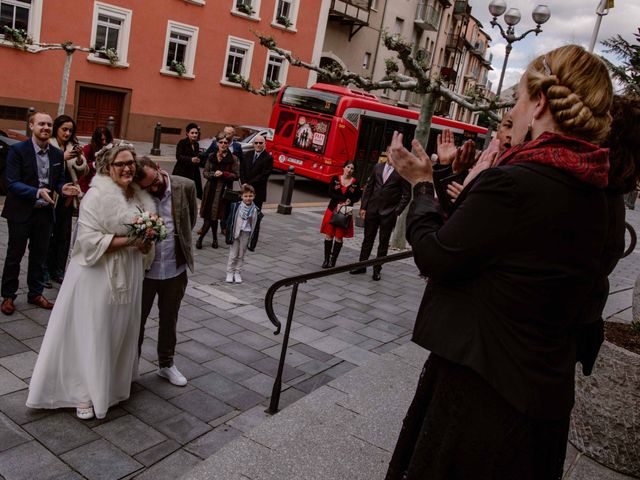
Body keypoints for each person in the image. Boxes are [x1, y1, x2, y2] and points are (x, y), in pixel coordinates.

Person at [384, 45, 614, 479]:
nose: (515, 109)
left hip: (483, 392)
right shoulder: (592, 189)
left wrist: (421, 185)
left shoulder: (514, 183)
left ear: (541, 103)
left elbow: (437, 256)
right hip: (541, 395)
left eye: (519, 100)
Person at [26, 143, 156, 420]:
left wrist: (146, 243)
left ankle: (111, 385)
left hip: (129, 271)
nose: (127, 168)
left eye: (130, 162)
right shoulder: (96, 197)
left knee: (120, 327)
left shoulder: (137, 196)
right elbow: (87, 242)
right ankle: (82, 392)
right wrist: (133, 239)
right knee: (93, 330)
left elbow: (142, 237)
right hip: (97, 274)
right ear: (108, 168)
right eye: (120, 163)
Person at [1, 112, 80, 316]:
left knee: (39, 254)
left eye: (49, 124)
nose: (45, 127)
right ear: (31, 126)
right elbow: (12, 183)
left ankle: (35, 293)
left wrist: (63, 189)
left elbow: (59, 179)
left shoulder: (55, 154)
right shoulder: (18, 150)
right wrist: (36, 192)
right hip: (20, 211)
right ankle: (8, 296)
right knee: (14, 255)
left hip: (45, 213)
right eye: (41, 124)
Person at [136, 157, 197, 387]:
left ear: (159, 169)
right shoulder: (137, 192)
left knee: (169, 318)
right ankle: (132, 365)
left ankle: (166, 364)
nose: (153, 188)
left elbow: (189, 222)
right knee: (136, 320)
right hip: (145, 271)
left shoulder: (186, 185)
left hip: (175, 268)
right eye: (147, 187)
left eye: (154, 182)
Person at [350, 150, 410, 280]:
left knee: (383, 242)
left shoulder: (401, 172)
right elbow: (369, 188)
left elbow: (407, 195)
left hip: (389, 214)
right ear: (387, 154)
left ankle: (377, 269)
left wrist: (396, 211)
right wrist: (363, 206)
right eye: (390, 152)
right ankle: (361, 265)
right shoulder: (377, 167)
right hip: (372, 210)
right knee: (368, 239)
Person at [46, 115, 89, 285]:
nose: (67, 133)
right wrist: (61, 157)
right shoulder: (48, 144)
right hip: (51, 196)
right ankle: (44, 271)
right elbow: (42, 167)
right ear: (56, 128)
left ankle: (58, 270)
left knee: (64, 235)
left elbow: (83, 171)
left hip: (68, 198)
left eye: (70, 130)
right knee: (48, 236)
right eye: (64, 129)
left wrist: (78, 159)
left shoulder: (73, 145)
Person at [197, 135, 239, 249]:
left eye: (226, 142)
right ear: (217, 143)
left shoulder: (233, 158)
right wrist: (213, 174)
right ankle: (215, 240)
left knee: (213, 216)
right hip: (210, 189)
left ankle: (200, 239)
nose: (223, 144)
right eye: (221, 142)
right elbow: (205, 172)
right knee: (209, 216)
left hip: (222, 191)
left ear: (229, 144)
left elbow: (236, 175)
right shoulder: (211, 156)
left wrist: (224, 174)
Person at [320, 161, 362, 268]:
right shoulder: (335, 179)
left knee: (339, 237)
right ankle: (326, 260)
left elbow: (357, 197)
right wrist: (344, 199)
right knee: (329, 235)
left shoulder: (355, 182)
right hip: (332, 210)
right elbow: (330, 193)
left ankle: (333, 261)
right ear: (343, 168)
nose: (349, 170)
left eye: (352, 168)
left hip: (345, 212)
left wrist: (350, 201)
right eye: (348, 167)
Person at [224, 184, 264, 284]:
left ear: (254, 196)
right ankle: (229, 272)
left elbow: (256, 226)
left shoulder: (256, 210)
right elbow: (230, 221)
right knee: (233, 254)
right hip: (235, 233)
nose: (248, 198)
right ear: (241, 196)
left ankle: (237, 272)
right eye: (245, 196)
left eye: (250, 196)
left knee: (241, 254)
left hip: (246, 233)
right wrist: (228, 234)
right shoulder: (235, 206)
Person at [239, 135, 273, 209]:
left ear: (264, 144)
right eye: (256, 143)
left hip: (258, 192)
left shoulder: (268, 158)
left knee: (255, 214)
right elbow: (242, 170)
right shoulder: (248, 154)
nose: (258, 145)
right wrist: (243, 183)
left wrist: (248, 184)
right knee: (243, 212)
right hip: (245, 189)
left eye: (260, 143)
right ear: (253, 144)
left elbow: (264, 175)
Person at [173, 122, 203, 200]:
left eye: (196, 133)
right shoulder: (182, 143)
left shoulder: (196, 144)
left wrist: (198, 160)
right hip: (182, 171)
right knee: (180, 193)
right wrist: (190, 159)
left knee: (190, 193)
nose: (194, 135)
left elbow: (196, 155)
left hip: (192, 172)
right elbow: (178, 156)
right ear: (187, 133)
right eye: (192, 133)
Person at [80, 126, 113, 193]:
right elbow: (82, 167)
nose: (104, 142)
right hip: (88, 186)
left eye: (106, 140)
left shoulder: (111, 149)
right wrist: (94, 164)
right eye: (102, 140)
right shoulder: (87, 149)